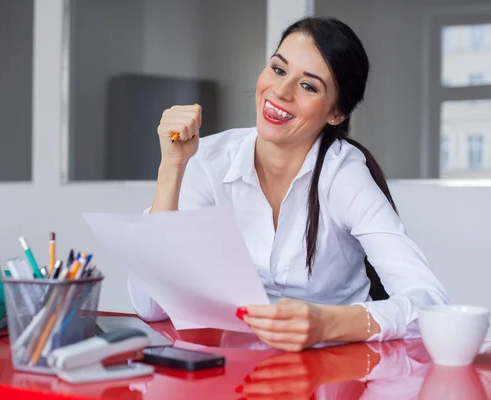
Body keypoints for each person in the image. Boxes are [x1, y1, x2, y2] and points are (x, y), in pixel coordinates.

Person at [128, 17, 449, 352]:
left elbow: (430, 304)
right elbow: (152, 307)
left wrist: (327, 324)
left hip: (340, 369)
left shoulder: (343, 174)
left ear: (336, 113)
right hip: (240, 372)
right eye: (279, 70)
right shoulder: (207, 160)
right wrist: (172, 166)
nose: (280, 91)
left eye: (309, 86)